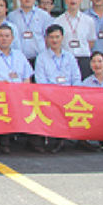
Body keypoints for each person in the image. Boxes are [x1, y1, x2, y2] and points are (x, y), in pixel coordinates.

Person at [0, 24, 32, 155]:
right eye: (1, 36)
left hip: (18, 93)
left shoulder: (20, 55)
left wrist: (23, 90)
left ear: (12, 38)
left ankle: (14, 140)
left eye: (7, 36)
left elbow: (27, 77)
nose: (4, 39)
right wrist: (4, 85)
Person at [33, 24, 81, 153]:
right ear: (46, 39)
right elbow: (40, 80)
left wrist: (71, 92)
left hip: (69, 94)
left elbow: (76, 78)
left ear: (62, 38)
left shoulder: (70, 57)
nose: (54, 40)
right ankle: (55, 140)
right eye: (51, 37)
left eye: (57, 37)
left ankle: (66, 139)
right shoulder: (41, 58)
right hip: (50, 95)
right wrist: (54, 94)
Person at [54, 0, 96, 79]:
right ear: (65, 1)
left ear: (80, 0)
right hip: (65, 59)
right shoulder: (58, 21)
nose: (73, 0)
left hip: (83, 58)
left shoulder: (89, 20)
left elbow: (91, 41)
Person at [8, 0, 53, 65]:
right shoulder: (12, 16)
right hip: (19, 59)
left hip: (39, 58)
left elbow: (49, 37)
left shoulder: (44, 15)